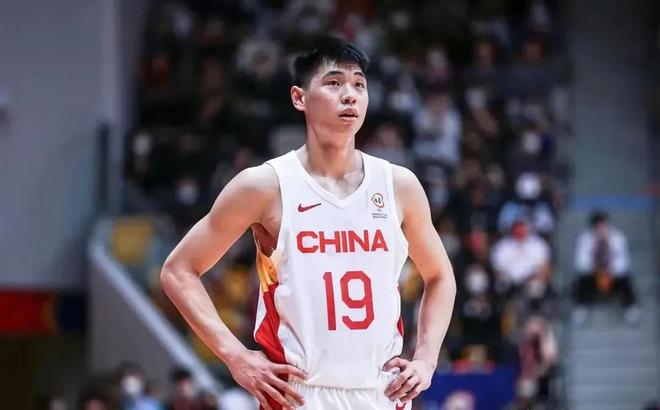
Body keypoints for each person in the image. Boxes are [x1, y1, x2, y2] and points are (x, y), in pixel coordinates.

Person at [160, 37, 456, 410]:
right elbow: (178, 270)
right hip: (299, 393)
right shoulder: (264, 185)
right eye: (334, 83)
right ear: (299, 98)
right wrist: (235, 356)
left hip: (382, 393)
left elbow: (440, 275)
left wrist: (426, 359)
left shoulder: (398, 185)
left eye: (359, 85)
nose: (350, 95)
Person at [573, 210, 640, 325]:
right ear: (593, 227)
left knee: (626, 279)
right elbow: (580, 263)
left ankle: (630, 308)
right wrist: (596, 268)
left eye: (604, 226)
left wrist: (610, 270)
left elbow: (625, 262)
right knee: (580, 281)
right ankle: (580, 309)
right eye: (599, 227)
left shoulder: (618, 238)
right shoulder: (584, 239)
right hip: (594, 275)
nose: (602, 230)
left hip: (613, 276)